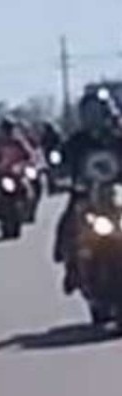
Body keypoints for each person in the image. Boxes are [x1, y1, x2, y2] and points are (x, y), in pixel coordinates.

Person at [54, 91, 122, 293]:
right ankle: (71, 266)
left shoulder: (118, 138)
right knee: (68, 222)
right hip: (86, 192)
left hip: (118, 193)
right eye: (89, 113)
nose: (94, 118)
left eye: (98, 112)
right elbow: (60, 163)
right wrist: (58, 175)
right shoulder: (77, 141)